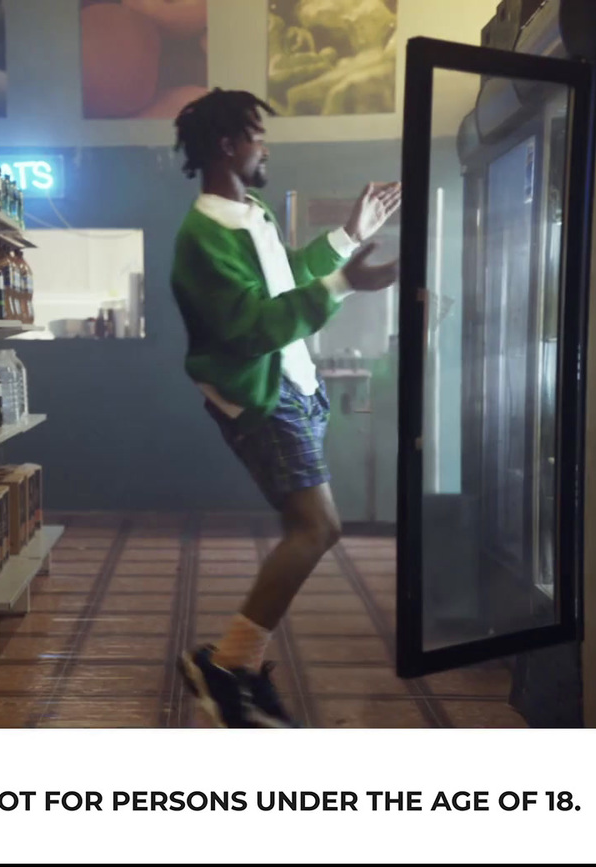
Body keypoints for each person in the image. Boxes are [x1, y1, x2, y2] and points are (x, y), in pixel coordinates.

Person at [168, 88, 402, 727]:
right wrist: (346, 281)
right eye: (258, 135)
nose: (265, 147)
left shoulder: (255, 215)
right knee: (318, 527)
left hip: (295, 390)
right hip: (259, 400)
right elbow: (249, 327)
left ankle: (232, 665)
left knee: (314, 528)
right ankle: (226, 666)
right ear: (228, 145)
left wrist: (350, 238)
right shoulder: (202, 235)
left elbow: (288, 278)